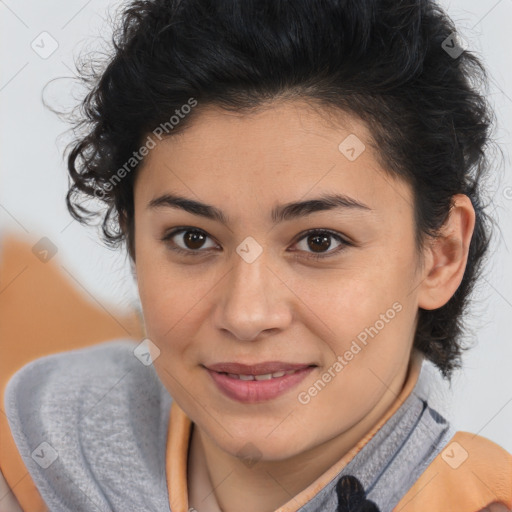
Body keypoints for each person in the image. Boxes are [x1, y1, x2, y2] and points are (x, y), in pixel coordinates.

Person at [2, 0, 511, 510]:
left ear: (441, 255)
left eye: (319, 241)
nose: (246, 315)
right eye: (193, 238)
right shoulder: (32, 445)